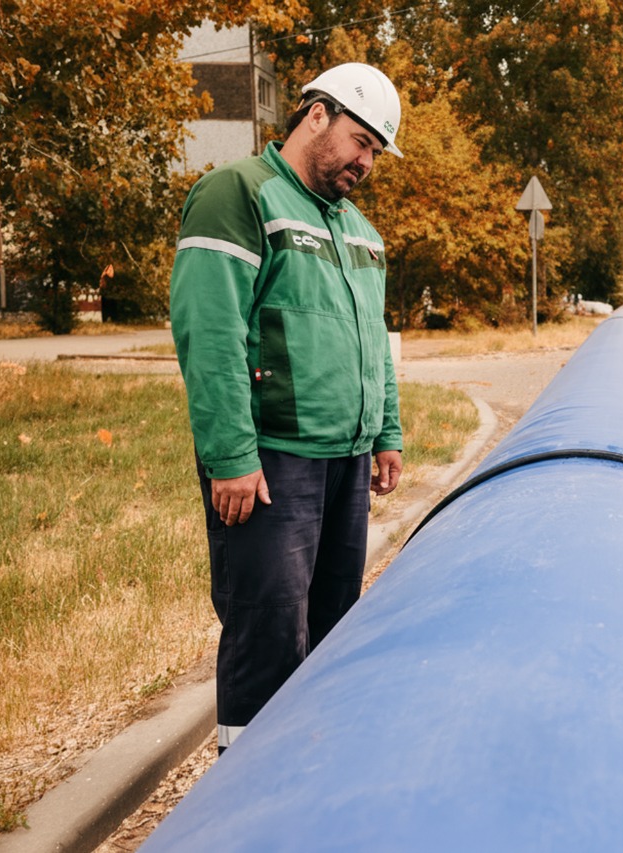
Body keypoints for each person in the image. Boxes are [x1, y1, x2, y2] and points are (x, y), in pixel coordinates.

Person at [170, 62, 406, 754]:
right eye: (361, 141)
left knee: (334, 628)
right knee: (269, 633)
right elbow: (210, 335)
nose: (366, 162)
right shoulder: (237, 195)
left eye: (375, 153)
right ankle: (246, 793)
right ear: (317, 114)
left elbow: (374, 339)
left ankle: (315, 769)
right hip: (272, 462)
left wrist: (386, 431)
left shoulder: (360, 229)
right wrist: (230, 457)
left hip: (347, 460)